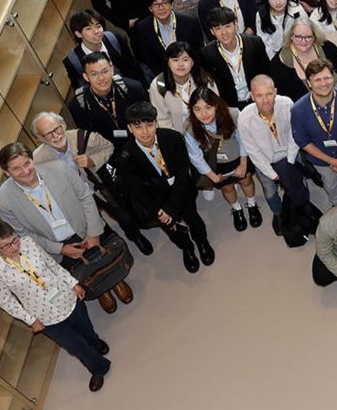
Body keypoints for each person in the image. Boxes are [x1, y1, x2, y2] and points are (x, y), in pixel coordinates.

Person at [0, 143, 131, 315]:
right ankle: (101, 289)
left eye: (27, 163)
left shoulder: (59, 168)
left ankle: (115, 279)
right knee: (84, 272)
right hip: (55, 244)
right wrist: (61, 249)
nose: (25, 171)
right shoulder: (2, 201)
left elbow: (85, 197)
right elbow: (24, 235)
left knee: (104, 255)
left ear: (32, 160)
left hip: (85, 227)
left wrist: (93, 233)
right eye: (16, 168)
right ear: (7, 172)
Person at [0, 221, 111, 392]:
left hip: (66, 298)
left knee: (85, 327)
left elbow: (52, 265)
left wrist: (73, 283)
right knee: (74, 345)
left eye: (14, 240)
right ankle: (98, 367)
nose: (14, 247)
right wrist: (30, 320)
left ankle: (94, 341)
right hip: (45, 317)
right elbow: (6, 301)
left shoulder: (28, 243)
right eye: (6, 246)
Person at [31, 112, 150, 256]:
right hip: (74, 197)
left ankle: (135, 236)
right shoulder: (39, 160)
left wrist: (92, 160)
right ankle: (112, 244)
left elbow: (109, 147)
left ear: (63, 125)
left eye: (57, 129)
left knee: (122, 215)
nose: (55, 136)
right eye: (48, 134)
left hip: (99, 188)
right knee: (94, 224)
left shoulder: (84, 137)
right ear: (40, 138)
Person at [115, 102, 215, 273]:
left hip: (181, 190)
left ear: (156, 123)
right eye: (138, 127)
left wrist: (172, 207)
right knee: (173, 229)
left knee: (193, 218)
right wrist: (161, 212)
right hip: (156, 200)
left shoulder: (173, 138)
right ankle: (187, 248)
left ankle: (202, 242)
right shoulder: (125, 156)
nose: (145, 132)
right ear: (130, 129)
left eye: (149, 125)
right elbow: (138, 192)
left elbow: (183, 173)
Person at [238, 75, 311, 237]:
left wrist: (290, 161)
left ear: (275, 92)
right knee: (270, 190)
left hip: (290, 153)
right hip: (266, 161)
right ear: (251, 96)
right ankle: (278, 213)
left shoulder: (286, 104)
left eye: (269, 94)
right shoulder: (244, 118)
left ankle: (303, 208)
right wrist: (272, 174)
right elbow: (253, 151)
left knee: (299, 182)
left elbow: (295, 133)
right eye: (259, 95)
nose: (265, 100)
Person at [184, 87, 261, 231]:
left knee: (246, 180)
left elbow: (243, 139)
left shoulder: (233, 114)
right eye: (197, 109)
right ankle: (237, 209)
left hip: (238, 156)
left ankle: (252, 204)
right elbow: (195, 156)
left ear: (216, 105)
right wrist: (212, 176)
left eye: (208, 107)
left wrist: (243, 163)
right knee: (227, 188)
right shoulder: (189, 127)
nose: (204, 113)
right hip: (217, 164)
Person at [291, 59, 337, 207]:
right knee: (330, 185)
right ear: (309, 82)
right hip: (322, 161)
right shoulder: (298, 110)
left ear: (333, 78)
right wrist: (332, 161)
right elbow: (303, 142)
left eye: (327, 78)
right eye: (317, 80)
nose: (323, 83)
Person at [67, 52, 148, 151]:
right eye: (94, 74)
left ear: (112, 70)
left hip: (141, 142)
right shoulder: (78, 105)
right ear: (86, 77)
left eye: (105, 71)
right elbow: (90, 139)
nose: (101, 78)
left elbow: (148, 119)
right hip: (108, 151)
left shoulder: (132, 88)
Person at [198, 6, 270, 108]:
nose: (224, 33)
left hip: (258, 100)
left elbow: (266, 73)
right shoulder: (207, 54)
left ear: (236, 25)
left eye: (227, 26)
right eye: (218, 28)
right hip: (230, 106)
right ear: (212, 31)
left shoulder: (254, 43)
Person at [268, 15, 337, 101]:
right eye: (298, 37)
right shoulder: (278, 64)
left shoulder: (328, 49)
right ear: (291, 36)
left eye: (308, 37)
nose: (303, 41)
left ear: (314, 36)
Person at [63, 8, 147, 90]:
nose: (96, 31)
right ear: (78, 34)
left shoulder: (114, 39)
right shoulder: (73, 61)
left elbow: (133, 68)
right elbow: (81, 91)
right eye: (88, 28)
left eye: (98, 26)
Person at [131, 0, 205, 79]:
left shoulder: (190, 22)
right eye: (156, 4)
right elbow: (147, 59)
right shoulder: (143, 28)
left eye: (165, 3)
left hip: (191, 73)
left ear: (172, 5)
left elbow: (198, 51)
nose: (161, 8)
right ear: (150, 8)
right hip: (163, 76)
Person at [149, 40, 219, 133]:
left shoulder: (204, 79)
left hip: (207, 131)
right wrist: (177, 140)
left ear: (192, 62)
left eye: (185, 60)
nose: (180, 64)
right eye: (175, 60)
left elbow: (216, 108)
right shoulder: (158, 85)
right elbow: (162, 120)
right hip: (176, 136)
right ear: (168, 63)